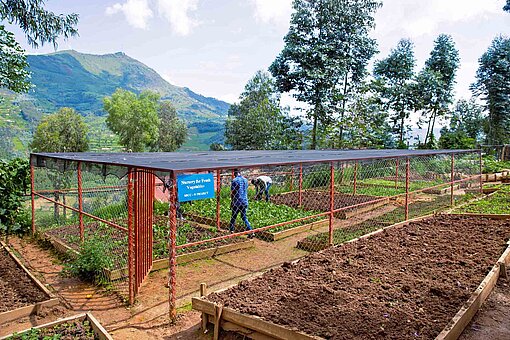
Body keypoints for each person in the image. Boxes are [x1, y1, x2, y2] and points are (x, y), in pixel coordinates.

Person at [230, 169, 253, 237]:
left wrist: (232, 201)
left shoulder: (234, 180)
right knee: (244, 217)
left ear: (234, 173)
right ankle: (251, 231)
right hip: (244, 201)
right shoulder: (245, 180)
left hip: (237, 201)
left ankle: (231, 230)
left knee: (233, 217)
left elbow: (233, 192)